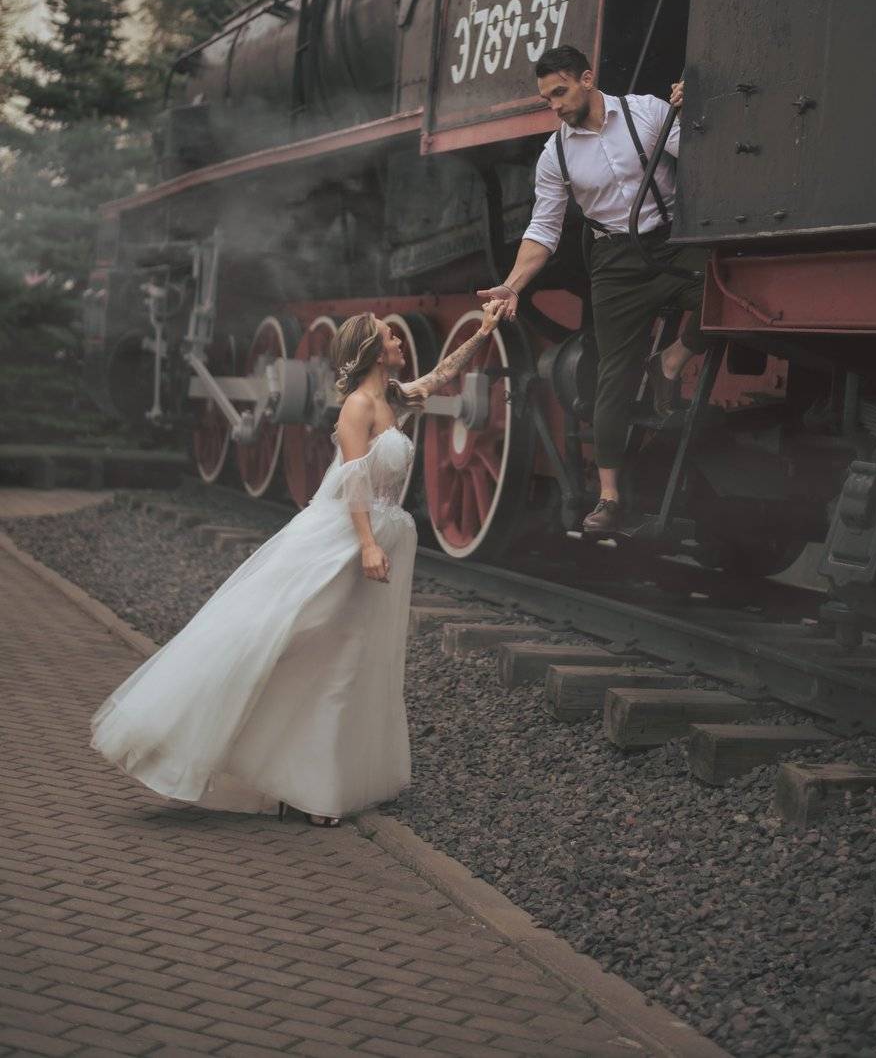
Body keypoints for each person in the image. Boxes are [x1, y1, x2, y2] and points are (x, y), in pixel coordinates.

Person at [91, 301, 505, 825]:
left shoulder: (392, 398)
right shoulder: (357, 406)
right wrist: (368, 544)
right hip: (339, 539)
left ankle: (311, 782)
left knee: (347, 654)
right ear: (373, 351)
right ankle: (278, 774)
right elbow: (354, 480)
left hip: (373, 534)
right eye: (390, 336)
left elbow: (443, 375)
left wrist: (483, 332)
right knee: (294, 639)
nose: (400, 341)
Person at [478, 45, 708, 535]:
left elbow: (700, 156)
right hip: (614, 262)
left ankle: (670, 362)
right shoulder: (555, 155)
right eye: (547, 99)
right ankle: (608, 496)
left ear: (586, 79)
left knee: (729, 298)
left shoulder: (647, 112)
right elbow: (543, 229)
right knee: (613, 374)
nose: (555, 106)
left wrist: (694, 113)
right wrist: (513, 286)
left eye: (560, 92)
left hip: (673, 243)